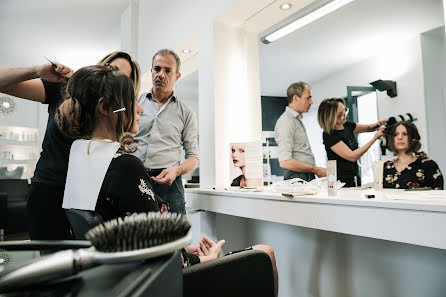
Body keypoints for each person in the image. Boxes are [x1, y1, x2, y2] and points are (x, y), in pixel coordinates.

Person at [57, 66, 278, 296]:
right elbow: (159, 255)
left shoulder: (79, 155)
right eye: (132, 100)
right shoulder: (124, 166)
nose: (140, 108)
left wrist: (181, 251)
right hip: (157, 284)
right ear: (105, 107)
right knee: (264, 253)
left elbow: (142, 244)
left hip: (115, 279)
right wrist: (201, 258)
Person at [0, 51, 140, 240]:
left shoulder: (113, 115)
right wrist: (37, 70)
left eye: (120, 76)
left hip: (88, 200)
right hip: (49, 193)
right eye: (110, 67)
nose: (111, 75)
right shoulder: (65, 90)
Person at [133, 49, 199, 214]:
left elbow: (193, 158)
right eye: (157, 69)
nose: (160, 74)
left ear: (177, 76)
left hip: (170, 183)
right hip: (135, 178)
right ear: (151, 71)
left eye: (167, 70)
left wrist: (176, 170)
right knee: (136, 236)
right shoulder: (135, 103)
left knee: (176, 237)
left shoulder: (186, 112)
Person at [317, 98, 386, 187]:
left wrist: (378, 125)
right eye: (339, 115)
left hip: (355, 175)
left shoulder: (347, 125)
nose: (344, 116)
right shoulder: (329, 135)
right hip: (340, 182)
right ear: (330, 117)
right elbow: (352, 156)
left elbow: (368, 128)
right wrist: (374, 139)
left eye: (344, 111)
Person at [274, 82, 327, 181]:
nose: (311, 102)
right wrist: (316, 169)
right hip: (297, 177)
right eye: (308, 98)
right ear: (295, 98)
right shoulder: (286, 122)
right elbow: (285, 161)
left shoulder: (295, 120)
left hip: (304, 175)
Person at [383, 121, 443, 189]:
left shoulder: (428, 165)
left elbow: (437, 194)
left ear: (413, 138)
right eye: (395, 134)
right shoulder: (385, 167)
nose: (399, 137)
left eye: (405, 134)